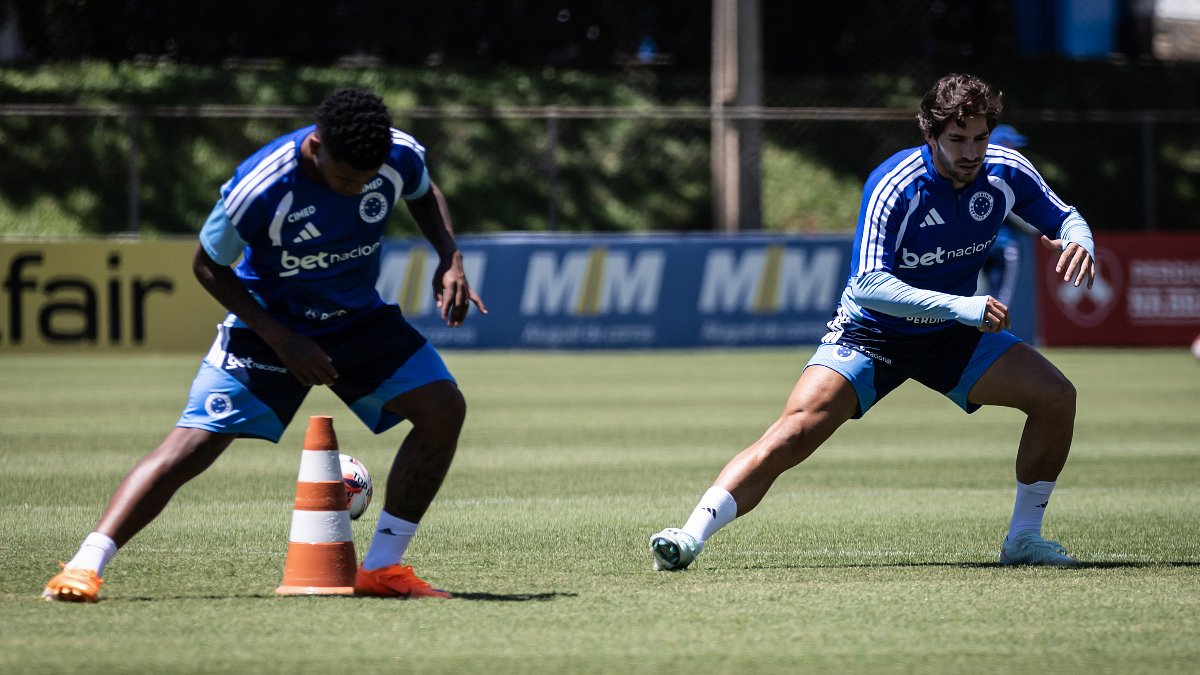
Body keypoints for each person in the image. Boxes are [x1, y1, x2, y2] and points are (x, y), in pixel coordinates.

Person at [43, 88, 486, 602]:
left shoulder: (397, 152)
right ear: (317, 146)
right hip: (269, 325)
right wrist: (282, 340)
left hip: (357, 319)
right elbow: (207, 265)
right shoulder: (261, 186)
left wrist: (449, 256)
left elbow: (423, 191)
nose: (358, 191)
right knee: (192, 445)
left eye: (367, 180)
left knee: (443, 408)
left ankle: (382, 567)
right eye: (347, 180)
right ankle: (84, 566)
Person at [649, 73, 1097, 571]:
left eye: (980, 137)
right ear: (930, 134)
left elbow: (1065, 216)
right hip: (873, 333)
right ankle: (688, 535)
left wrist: (1080, 239)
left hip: (950, 337)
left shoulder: (1006, 170)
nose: (972, 152)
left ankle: (1024, 538)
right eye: (958, 139)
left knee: (1056, 397)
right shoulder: (895, 185)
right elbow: (867, 284)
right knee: (795, 431)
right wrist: (960, 306)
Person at [978, 124, 1039, 306]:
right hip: (996, 247)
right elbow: (1024, 219)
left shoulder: (975, 173)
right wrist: (1041, 226)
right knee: (997, 302)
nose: (1017, 152)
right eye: (1013, 146)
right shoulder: (1002, 176)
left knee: (987, 301)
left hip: (977, 246)